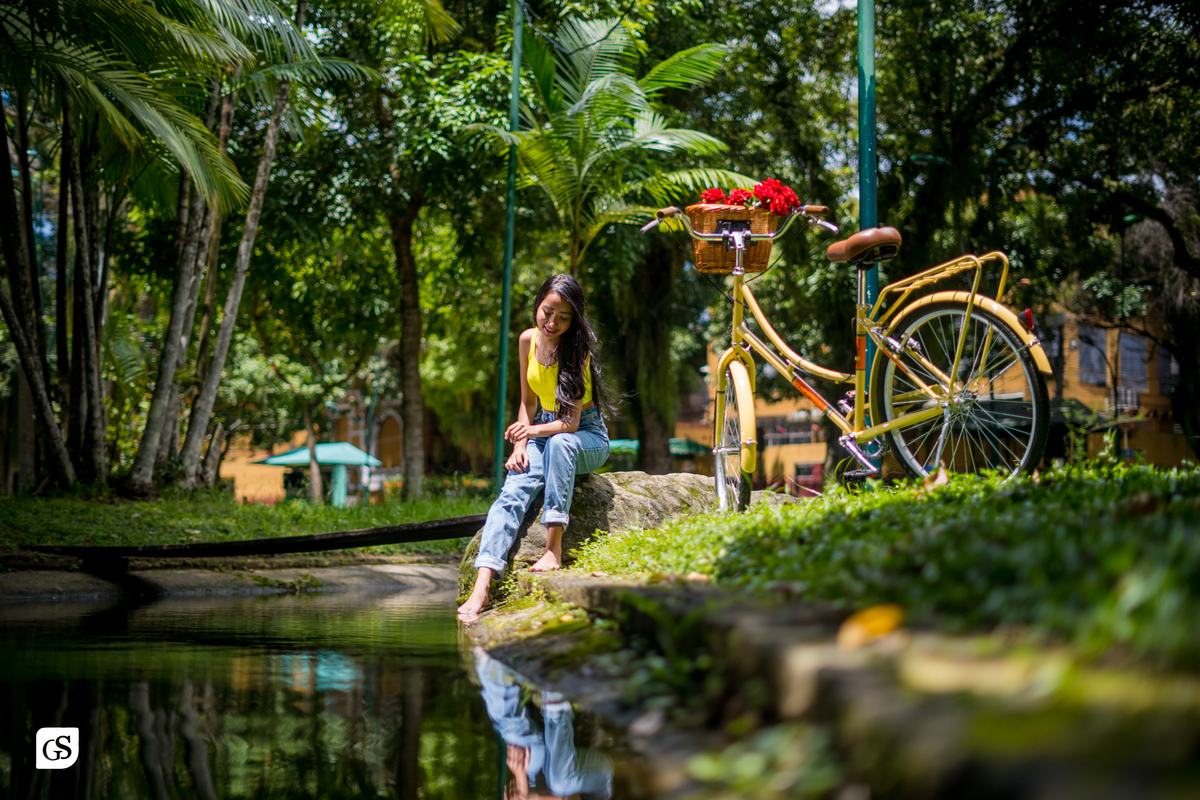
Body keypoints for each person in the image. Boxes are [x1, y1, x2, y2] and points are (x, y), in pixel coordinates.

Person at [458, 274, 611, 623]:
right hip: (542, 429)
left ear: (574, 321)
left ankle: (553, 549)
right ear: (538, 304)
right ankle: (482, 585)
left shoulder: (577, 351)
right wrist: (521, 445)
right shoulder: (527, 340)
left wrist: (532, 431)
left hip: (584, 435)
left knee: (560, 443)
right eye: (547, 312)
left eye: (564, 317)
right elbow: (527, 401)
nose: (553, 322)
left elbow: (569, 425)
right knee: (512, 492)